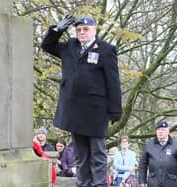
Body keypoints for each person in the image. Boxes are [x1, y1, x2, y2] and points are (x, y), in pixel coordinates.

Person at [41, 15, 122, 187]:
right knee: (81, 156)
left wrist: (115, 109)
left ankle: (100, 185)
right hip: (75, 112)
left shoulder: (106, 50)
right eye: (79, 29)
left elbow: (113, 82)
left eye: (86, 29)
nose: (82, 32)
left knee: (98, 156)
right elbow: (47, 45)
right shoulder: (70, 46)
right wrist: (57, 30)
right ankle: (83, 184)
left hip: (96, 112)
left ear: (94, 30)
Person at [138, 121, 177, 187]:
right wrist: (142, 181)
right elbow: (142, 165)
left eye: (163, 130)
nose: (160, 132)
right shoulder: (149, 145)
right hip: (153, 183)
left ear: (168, 132)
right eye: (158, 130)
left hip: (171, 183)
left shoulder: (176, 145)